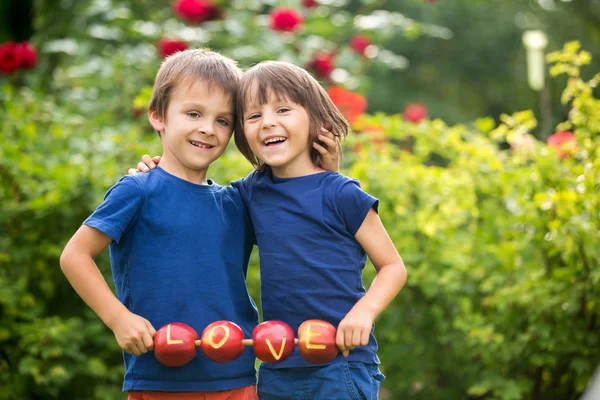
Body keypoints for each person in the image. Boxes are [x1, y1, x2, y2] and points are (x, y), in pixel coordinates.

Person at [136, 60, 407, 400]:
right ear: (242, 133)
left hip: (340, 362)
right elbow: (201, 198)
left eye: (283, 109)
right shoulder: (250, 193)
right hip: (276, 363)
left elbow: (393, 267)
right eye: (253, 116)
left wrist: (363, 313)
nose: (268, 123)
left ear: (317, 120)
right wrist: (160, 174)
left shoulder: (343, 193)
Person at [60, 49, 261, 400]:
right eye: (194, 113)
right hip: (160, 378)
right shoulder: (138, 190)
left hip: (236, 377)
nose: (207, 129)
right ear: (158, 116)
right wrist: (118, 319)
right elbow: (74, 255)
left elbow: (296, 201)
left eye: (223, 120)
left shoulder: (237, 202)